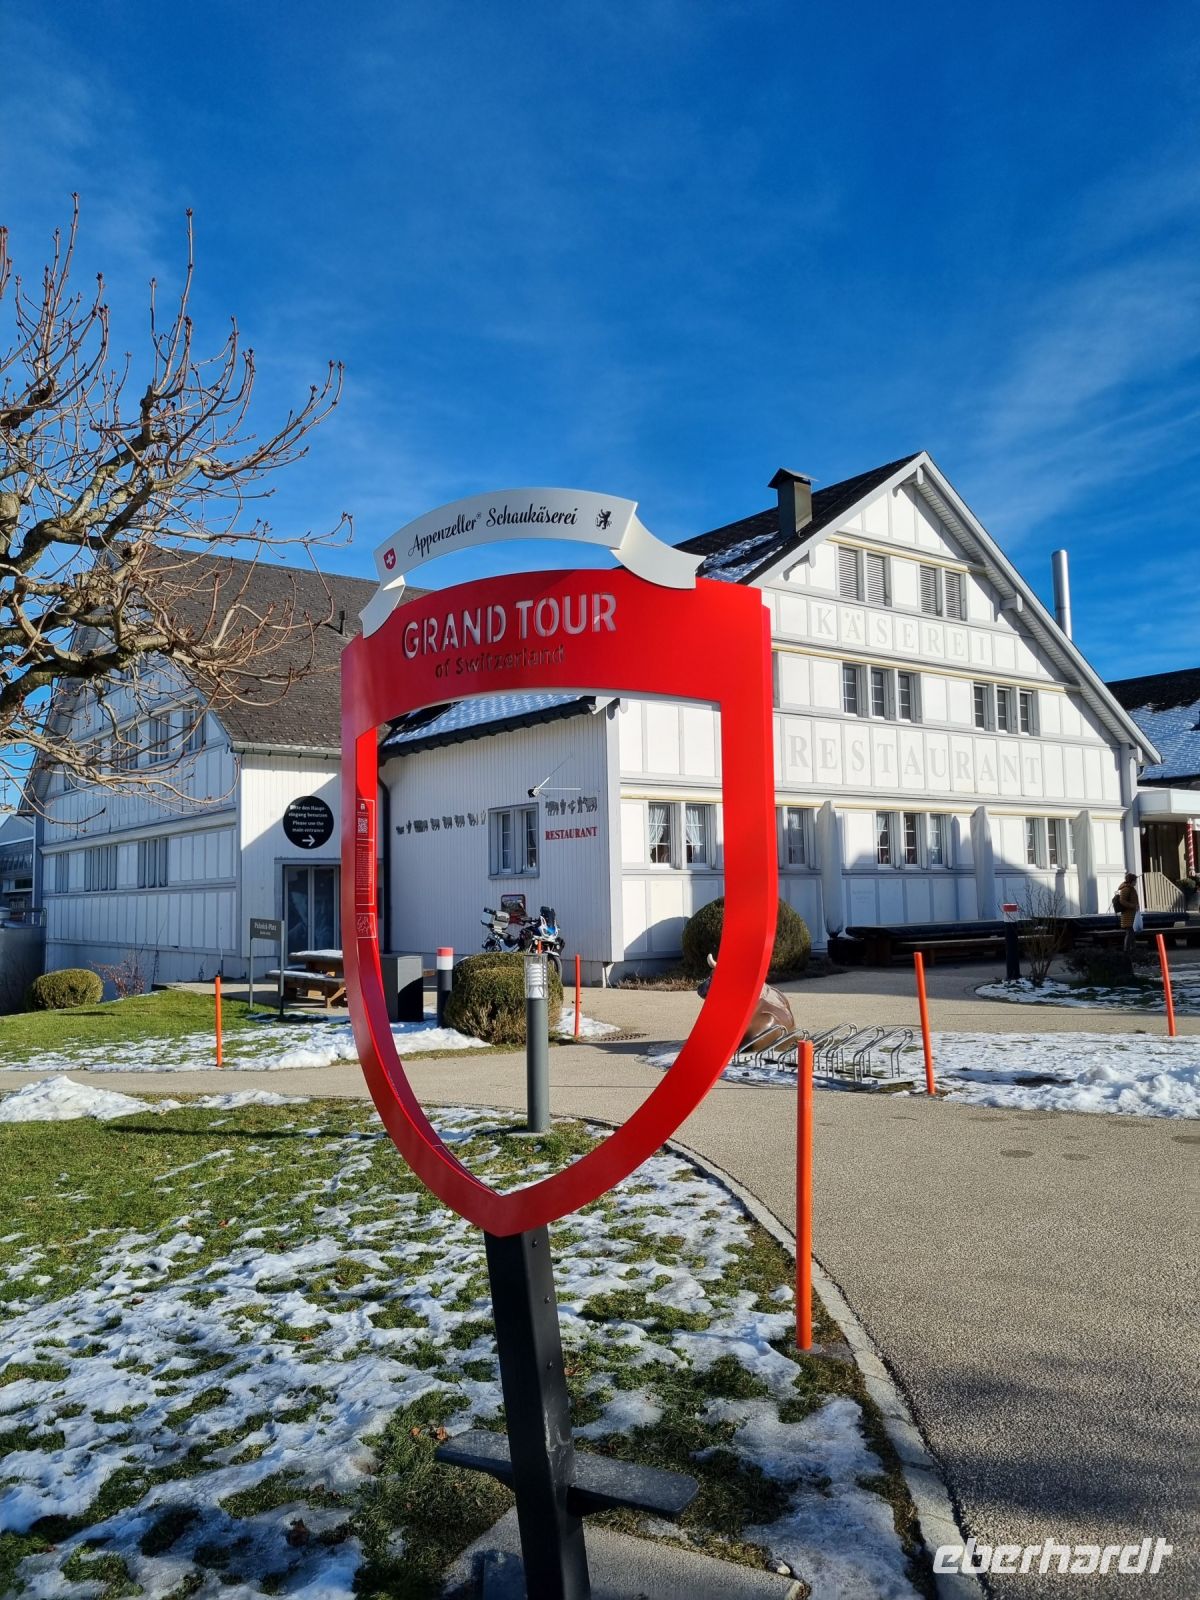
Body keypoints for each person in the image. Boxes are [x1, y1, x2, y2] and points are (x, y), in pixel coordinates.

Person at [1116, 872, 1140, 955]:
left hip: (1132, 915)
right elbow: (1122, 901)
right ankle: (1126, 951)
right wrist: (1133, 906)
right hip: (1127, 916)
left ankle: (1132, 951)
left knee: (1131, 934)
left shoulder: (1131, 888)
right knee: (1129, 934)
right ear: (1131, 881)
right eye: (1135, 881)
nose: (1136, 882)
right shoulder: (1126, 889)